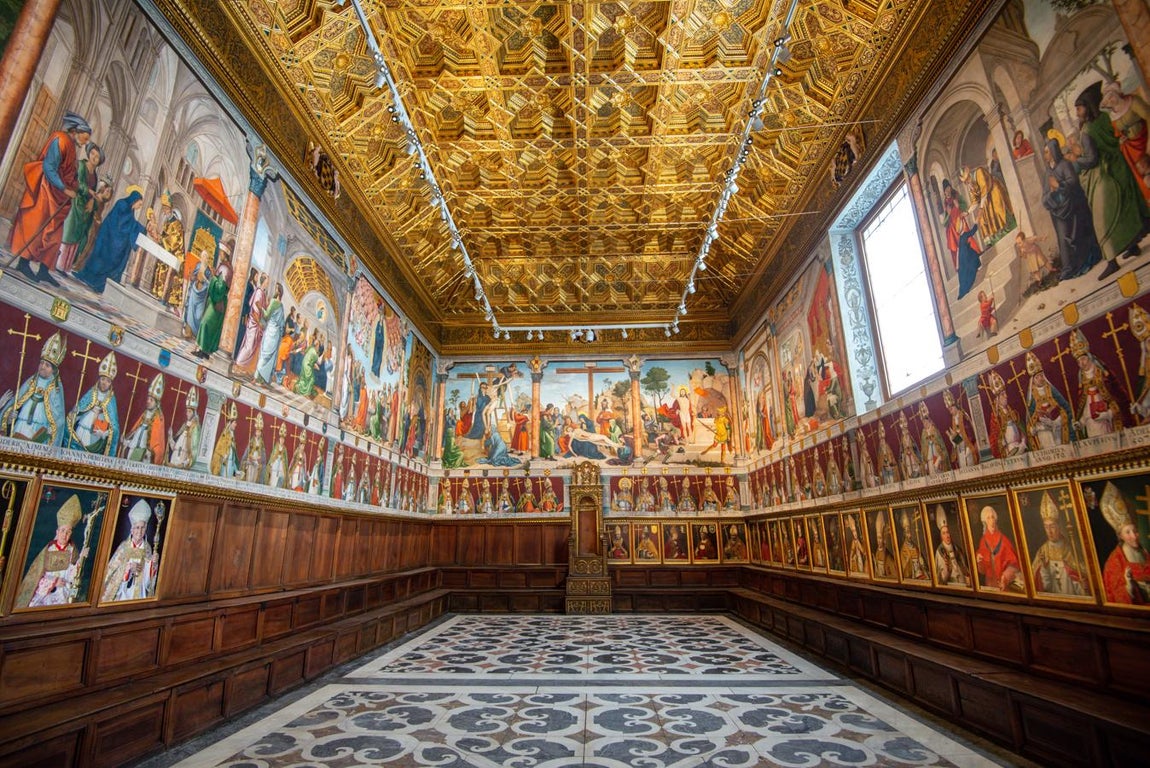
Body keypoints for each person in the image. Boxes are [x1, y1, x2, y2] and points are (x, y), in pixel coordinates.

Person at [1073, 81, 1150, 280]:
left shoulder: (1087, 130)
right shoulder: (1106, 117)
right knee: (1125, 207)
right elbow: (1117, 136)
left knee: (1101, 221)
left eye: (1079, 108)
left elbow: (1091, 159)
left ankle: (1112, 262)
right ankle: (1132, 246)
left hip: (1104, 174)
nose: (1077, 113)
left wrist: (1076, 161)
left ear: (1087, 106)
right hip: (1120, 166)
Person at [10, 112, 93, 287]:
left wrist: (76, 187)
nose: (85, 143)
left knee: (54, 237)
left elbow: (68, 173)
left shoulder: (71, 146)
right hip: (45, 191)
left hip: (59, 197)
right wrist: (64, 188)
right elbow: (49, 168)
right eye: (84, 138)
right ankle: (23, 264)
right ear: (75, 131)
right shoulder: (60, 140)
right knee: (37, 228)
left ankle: (44, 270)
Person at [1042, 138, 1101, 280]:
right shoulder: (1048, 173)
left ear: (1053, 151)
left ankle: (1085, 261)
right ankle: (1069, 267)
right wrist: (1051, 194)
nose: (1045, 155)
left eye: (1047, 152)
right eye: (1044, 153)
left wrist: (1058, 186)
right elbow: (1044, 197)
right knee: (1063, 239)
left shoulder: (1065, 165)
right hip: (1059, 212)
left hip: (1073, 208)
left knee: (1078, 235)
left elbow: (1073, 183)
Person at [15, 494, 89, 607]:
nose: (65, 535)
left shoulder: (72, 551)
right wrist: (54, 583)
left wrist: (80, 560)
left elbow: (72, 576)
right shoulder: (49, 550)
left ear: (71, 534)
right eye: (63, 530)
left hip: (64, 591)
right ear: (57, 532)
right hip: (46, 592)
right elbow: (37, 576)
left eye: (68, 532)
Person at [0, 331, 68, 446]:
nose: (42, 367)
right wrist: (10, 417)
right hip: (21, 425)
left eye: (47, 365)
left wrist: (53, 429)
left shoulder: (56, 389)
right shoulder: (31, 381)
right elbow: (16, 402)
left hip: (39, 429)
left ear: (54, 370)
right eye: (41, 363)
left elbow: (59, 417)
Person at [75, 186, 147, 293]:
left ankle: (100, 284)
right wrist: (141, 228)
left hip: (113, 238)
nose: (139, 207)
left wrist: (140, 229)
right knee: (102, 259)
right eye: (139, 204)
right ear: (134, 200)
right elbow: (123, 224)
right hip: (108, 237)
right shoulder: (122, 204)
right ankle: (93, 281)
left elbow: (129, 224)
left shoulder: (130, 210)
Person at [1030, 491, 1089, 597]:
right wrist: (1044, 569)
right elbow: (1044, 587)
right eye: (1046, 527)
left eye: (1052, 526)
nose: (1049, 532)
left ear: (1059, 526)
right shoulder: (1042, 551)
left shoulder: (1070, 549)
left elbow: (1081, 585)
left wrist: (1083, 586)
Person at [56, 142, 103, 274]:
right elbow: (78, 183)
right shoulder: (82, 165)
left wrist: (91, 201)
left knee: (78, 237)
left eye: (97, 156)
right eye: (93, 153)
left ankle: (66, 266)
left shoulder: (95, 175)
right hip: (75, 203)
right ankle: (58, 264)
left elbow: (93, 191)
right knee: (69, 233)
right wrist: (89, 192)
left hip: (85, 209)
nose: (94, 157)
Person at [1099, 482, 1150, 604]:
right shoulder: (1114, 562)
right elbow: (1113, 595)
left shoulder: (1145, 552)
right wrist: (1129, 586)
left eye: (1135, 531)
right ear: (1120, 535)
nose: (1134, 536)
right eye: (1128, 532)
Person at [100, 499, 159, 602]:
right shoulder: (123, 547)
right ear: (131, 529)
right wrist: (127, 569)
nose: (139, 531)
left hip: (139, 592)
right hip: (122, 591)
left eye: (142, 528)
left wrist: (153, 564)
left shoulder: (148, 548)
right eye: (137, 528)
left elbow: (149, 580)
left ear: (145, 529)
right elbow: (111, 571)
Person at [1070, 328, 1122, 437]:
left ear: (1089, 358)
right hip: (1091, 426)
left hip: (1106, 422)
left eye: (1083, 359)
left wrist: (1107, 414)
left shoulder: (1103, 376)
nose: (1081, 363)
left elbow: (1118, 399)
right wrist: (1079, 423)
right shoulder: (1083, 382)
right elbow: (1085, 409)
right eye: (1078, 361)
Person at [66, 352, 121, 456]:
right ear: (99, 379)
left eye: (108, 381)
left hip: (97, 437)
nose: (104, 383)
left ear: (111, 383)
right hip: (83, 429)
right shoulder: (91, 393)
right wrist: (75, 414)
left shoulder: (111, 401)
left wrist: (105, 434)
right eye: (103, 379)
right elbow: (80, 409)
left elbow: (114, 427)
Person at [1024, 351, 1072, 450]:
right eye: (1037, 377)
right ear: (1033, 380)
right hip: (1043, 428)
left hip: (1057, 424)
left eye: (1041, 375)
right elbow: (1030, 415)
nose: (1040, 378)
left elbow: (1064, 405)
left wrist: (1065, 417)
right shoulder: (1032, 395)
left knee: (1060, 446)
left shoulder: (1051, 389)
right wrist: (1031, 428)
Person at [974, 504, 1024, 592]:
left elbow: (1014, 564)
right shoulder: (983, 540)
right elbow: (982, 570)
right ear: (985, 521)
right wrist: (979, 561)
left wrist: (1005, 577)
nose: (991, 520)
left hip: (1004, 583)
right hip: (990, 584)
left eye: (992, 517)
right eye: (988, 518)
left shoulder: (1004, 540)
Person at [120, 375, 166, 465]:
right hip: (133, 450)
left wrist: (152, 452)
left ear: (156, 404)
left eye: (151, 400)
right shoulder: (144, 415)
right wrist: (126, 440)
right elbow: (135, 433)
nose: (148, 401)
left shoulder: (158, 419)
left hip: (144, 454)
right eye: (148, 399)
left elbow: (157, 442)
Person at [933, 505, 971, 587]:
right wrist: (948, 570)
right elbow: (941, 578)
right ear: (941, 536)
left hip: (962, 582)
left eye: (948, 532)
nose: (947, 535)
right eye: (944, 533)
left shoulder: (956, 548)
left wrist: (967, 577)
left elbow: (964, 567)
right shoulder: (940, 552)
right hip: (951, 584)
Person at [167, 387, 201, 470]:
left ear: (194, 413)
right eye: (187, 411)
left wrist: (186, 462)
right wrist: (170, 437)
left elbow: (194, 447)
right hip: (174, 458)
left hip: (183, 459)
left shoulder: (195, 427)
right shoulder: (184, 426)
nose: (187, 413)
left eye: (189, 411)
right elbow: (175, 447)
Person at [210, 402, 241, 478]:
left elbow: (234, 454)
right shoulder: (225, 434)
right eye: (234, 423)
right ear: (230, 423)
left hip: (231, 464)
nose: (235, 425)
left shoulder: (232, 436)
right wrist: (224, 455)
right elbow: (219, 449)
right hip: (224, 463)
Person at [897, 509, 929, 581]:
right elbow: (904, 569)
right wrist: (910, 560)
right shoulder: (903, 550)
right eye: (908, 533)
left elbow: (923, 565)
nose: (910, 535)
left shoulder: (915, 547)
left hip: (921, 575)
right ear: (904, 534)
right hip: (913, 577)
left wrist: (922, 563)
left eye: (910, 532)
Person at [871, 512, 897, 579]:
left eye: (880, 538)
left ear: (884, 538)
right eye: (877, 538)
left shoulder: (888, 556)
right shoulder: (877, 552)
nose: (879, 541)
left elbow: (894, 575)